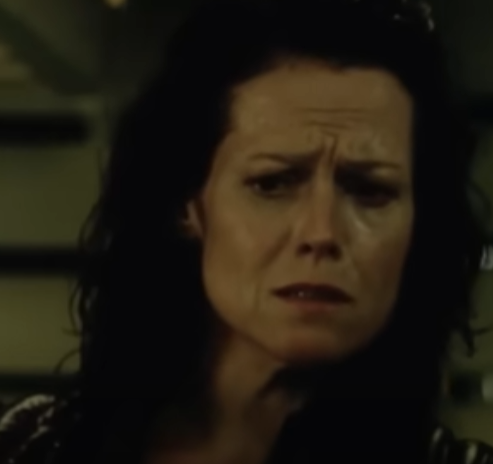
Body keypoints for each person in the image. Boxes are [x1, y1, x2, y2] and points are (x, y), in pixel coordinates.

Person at [1, 0, 492, 463]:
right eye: (272, 183)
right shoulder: (31, 445)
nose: (322, 232)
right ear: (190, 204)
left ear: (419, 226)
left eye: (370, 191)